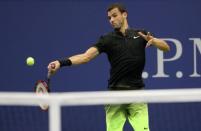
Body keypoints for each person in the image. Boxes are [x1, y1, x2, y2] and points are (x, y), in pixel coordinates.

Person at [48, 3, 170, 131]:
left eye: (114, 16)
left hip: (137, 95)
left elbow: (166, 47)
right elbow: (85, 57)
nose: (111, 20)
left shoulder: (141, 34)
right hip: (115, 96)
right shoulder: (107, 39)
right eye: (109, 18)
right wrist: (60, 63)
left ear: (124, 14)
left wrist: (154, 41)